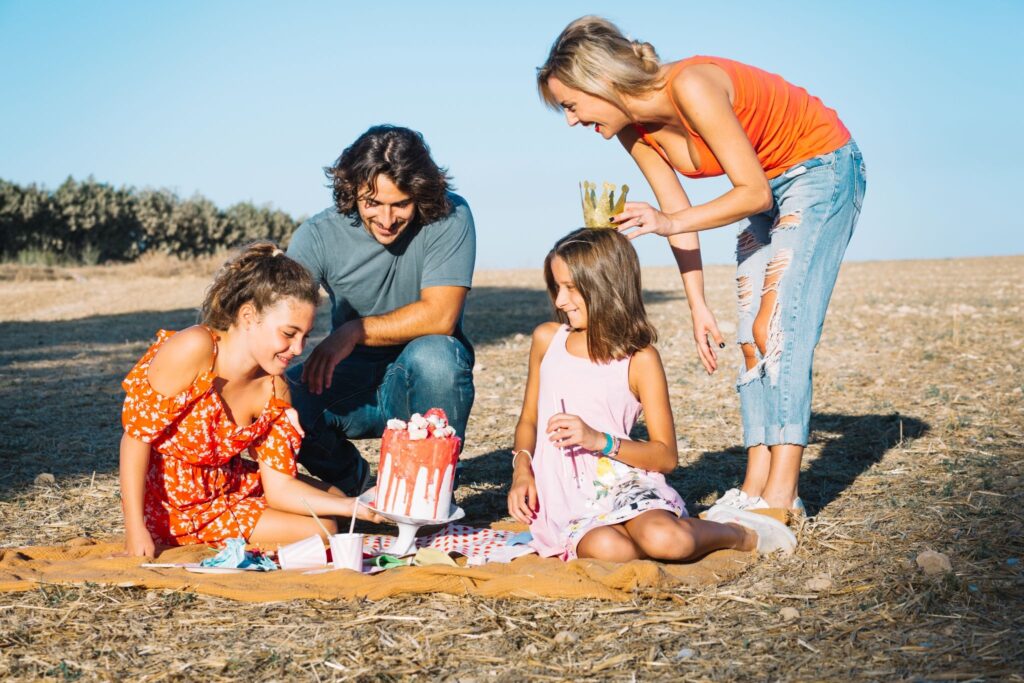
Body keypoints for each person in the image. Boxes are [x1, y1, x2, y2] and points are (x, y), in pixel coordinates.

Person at [537, 17, 867, 515]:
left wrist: (668, 221)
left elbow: (746, 194)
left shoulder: (690, 83)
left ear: (601, 81)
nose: (570, 120)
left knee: (777, 328)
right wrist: (698, 305)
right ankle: (754, 486)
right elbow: (678, 215)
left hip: (819, 168)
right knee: (750, 339)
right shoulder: (633, 128)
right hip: (764, 185)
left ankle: (782, 498)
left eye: (570, 105)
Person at [507, 229, 795, 562]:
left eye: (571, 288)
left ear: (604, 284)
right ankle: (638, 534)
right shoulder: (548, 340)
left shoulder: (639, 359)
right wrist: (522, 470)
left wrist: (598, 439)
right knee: (610, 550)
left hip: (624, 483)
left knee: (665, 540)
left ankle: (737, 532)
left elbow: (665, 456)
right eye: (557, 287)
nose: (559, 301)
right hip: (566, 500)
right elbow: (529, 420)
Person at [119, 242, 381, 558]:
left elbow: (280, 487)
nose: (298, 349)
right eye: (289, 334)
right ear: (248, 316)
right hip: (172, 504)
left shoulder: (275, 388)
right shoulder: (195, 347)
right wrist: (135, 528)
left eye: (305, 336)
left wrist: (354, 505)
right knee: (324, 527)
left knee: (336, 500)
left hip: (228, 485)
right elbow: (135, 439)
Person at [286, 125, 476, 496]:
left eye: (401, 204)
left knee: (437, 357)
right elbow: (278, 312)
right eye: (372, 203)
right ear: (351, 190)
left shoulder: (451, 215)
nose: (387, 220)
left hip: (421, 375)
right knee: (281, 395)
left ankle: (427, 496)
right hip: (347, 379)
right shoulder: (317, 234)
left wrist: (353, 331)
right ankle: (352, 482)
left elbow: (441, 316)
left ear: (421, 194)